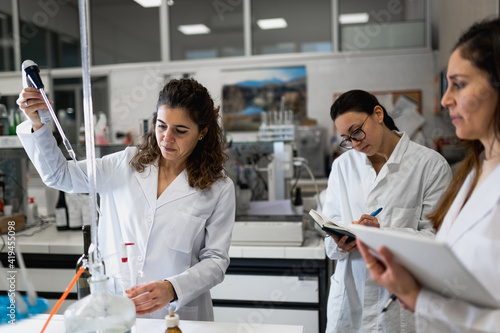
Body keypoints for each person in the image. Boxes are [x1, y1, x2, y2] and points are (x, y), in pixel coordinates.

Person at [16, 78, 235, 321]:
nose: (167, 138)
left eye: (180, 131)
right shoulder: (124, 164)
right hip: (118, 310)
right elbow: (58, 175)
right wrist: (37, 123)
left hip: (179, 314)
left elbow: (215, 261)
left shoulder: (219, 188)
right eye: (161, 126)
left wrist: (173, 288)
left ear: (203, 132)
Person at [358, 17, 500, 332]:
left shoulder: (435, 165)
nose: (445, 99)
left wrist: (418, 297)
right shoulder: (475, 171)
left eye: (459, 84)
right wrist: (414, 288)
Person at [324, 90, 452, 332]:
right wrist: (339, 242)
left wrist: (382, 234)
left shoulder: (430, 165)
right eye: (346, 138)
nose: (354, 143)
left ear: (378, 114)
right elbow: (329, 242)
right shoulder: (343, 166)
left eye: (356, 131)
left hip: (399, 305)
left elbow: (439, 242)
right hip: (351, 300)